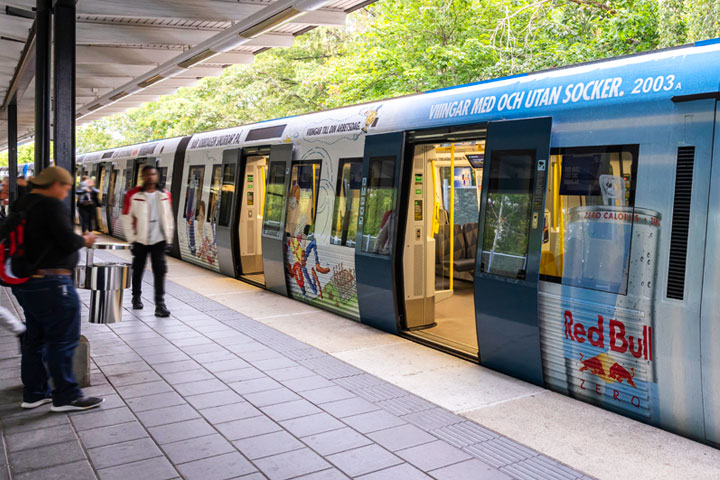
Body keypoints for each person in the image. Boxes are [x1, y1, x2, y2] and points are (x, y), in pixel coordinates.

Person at [11, 166, 104, 412]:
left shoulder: (23, 203)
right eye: (65, 187)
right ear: (55, 184)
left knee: (35, 339)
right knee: (62, 340)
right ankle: (66, 397)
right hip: (53, 283)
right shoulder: (50, 205)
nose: (66, 193)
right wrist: (85, 239)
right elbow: (67, 241)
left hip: (28, 283)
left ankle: (34, 394)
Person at [122, 165, 174, 317]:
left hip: (159, 239)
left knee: (160, 271)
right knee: (138, 269)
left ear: (156, 176)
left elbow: (168, 218)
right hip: (140, 240)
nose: (151, 177)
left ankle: (160, 304)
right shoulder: (133, 195)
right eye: (148, 175)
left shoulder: (165, 195)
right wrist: (132, 239)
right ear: (143, 176)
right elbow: (126, 217)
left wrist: (169, 238)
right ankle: (136, 297)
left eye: (153, 174)